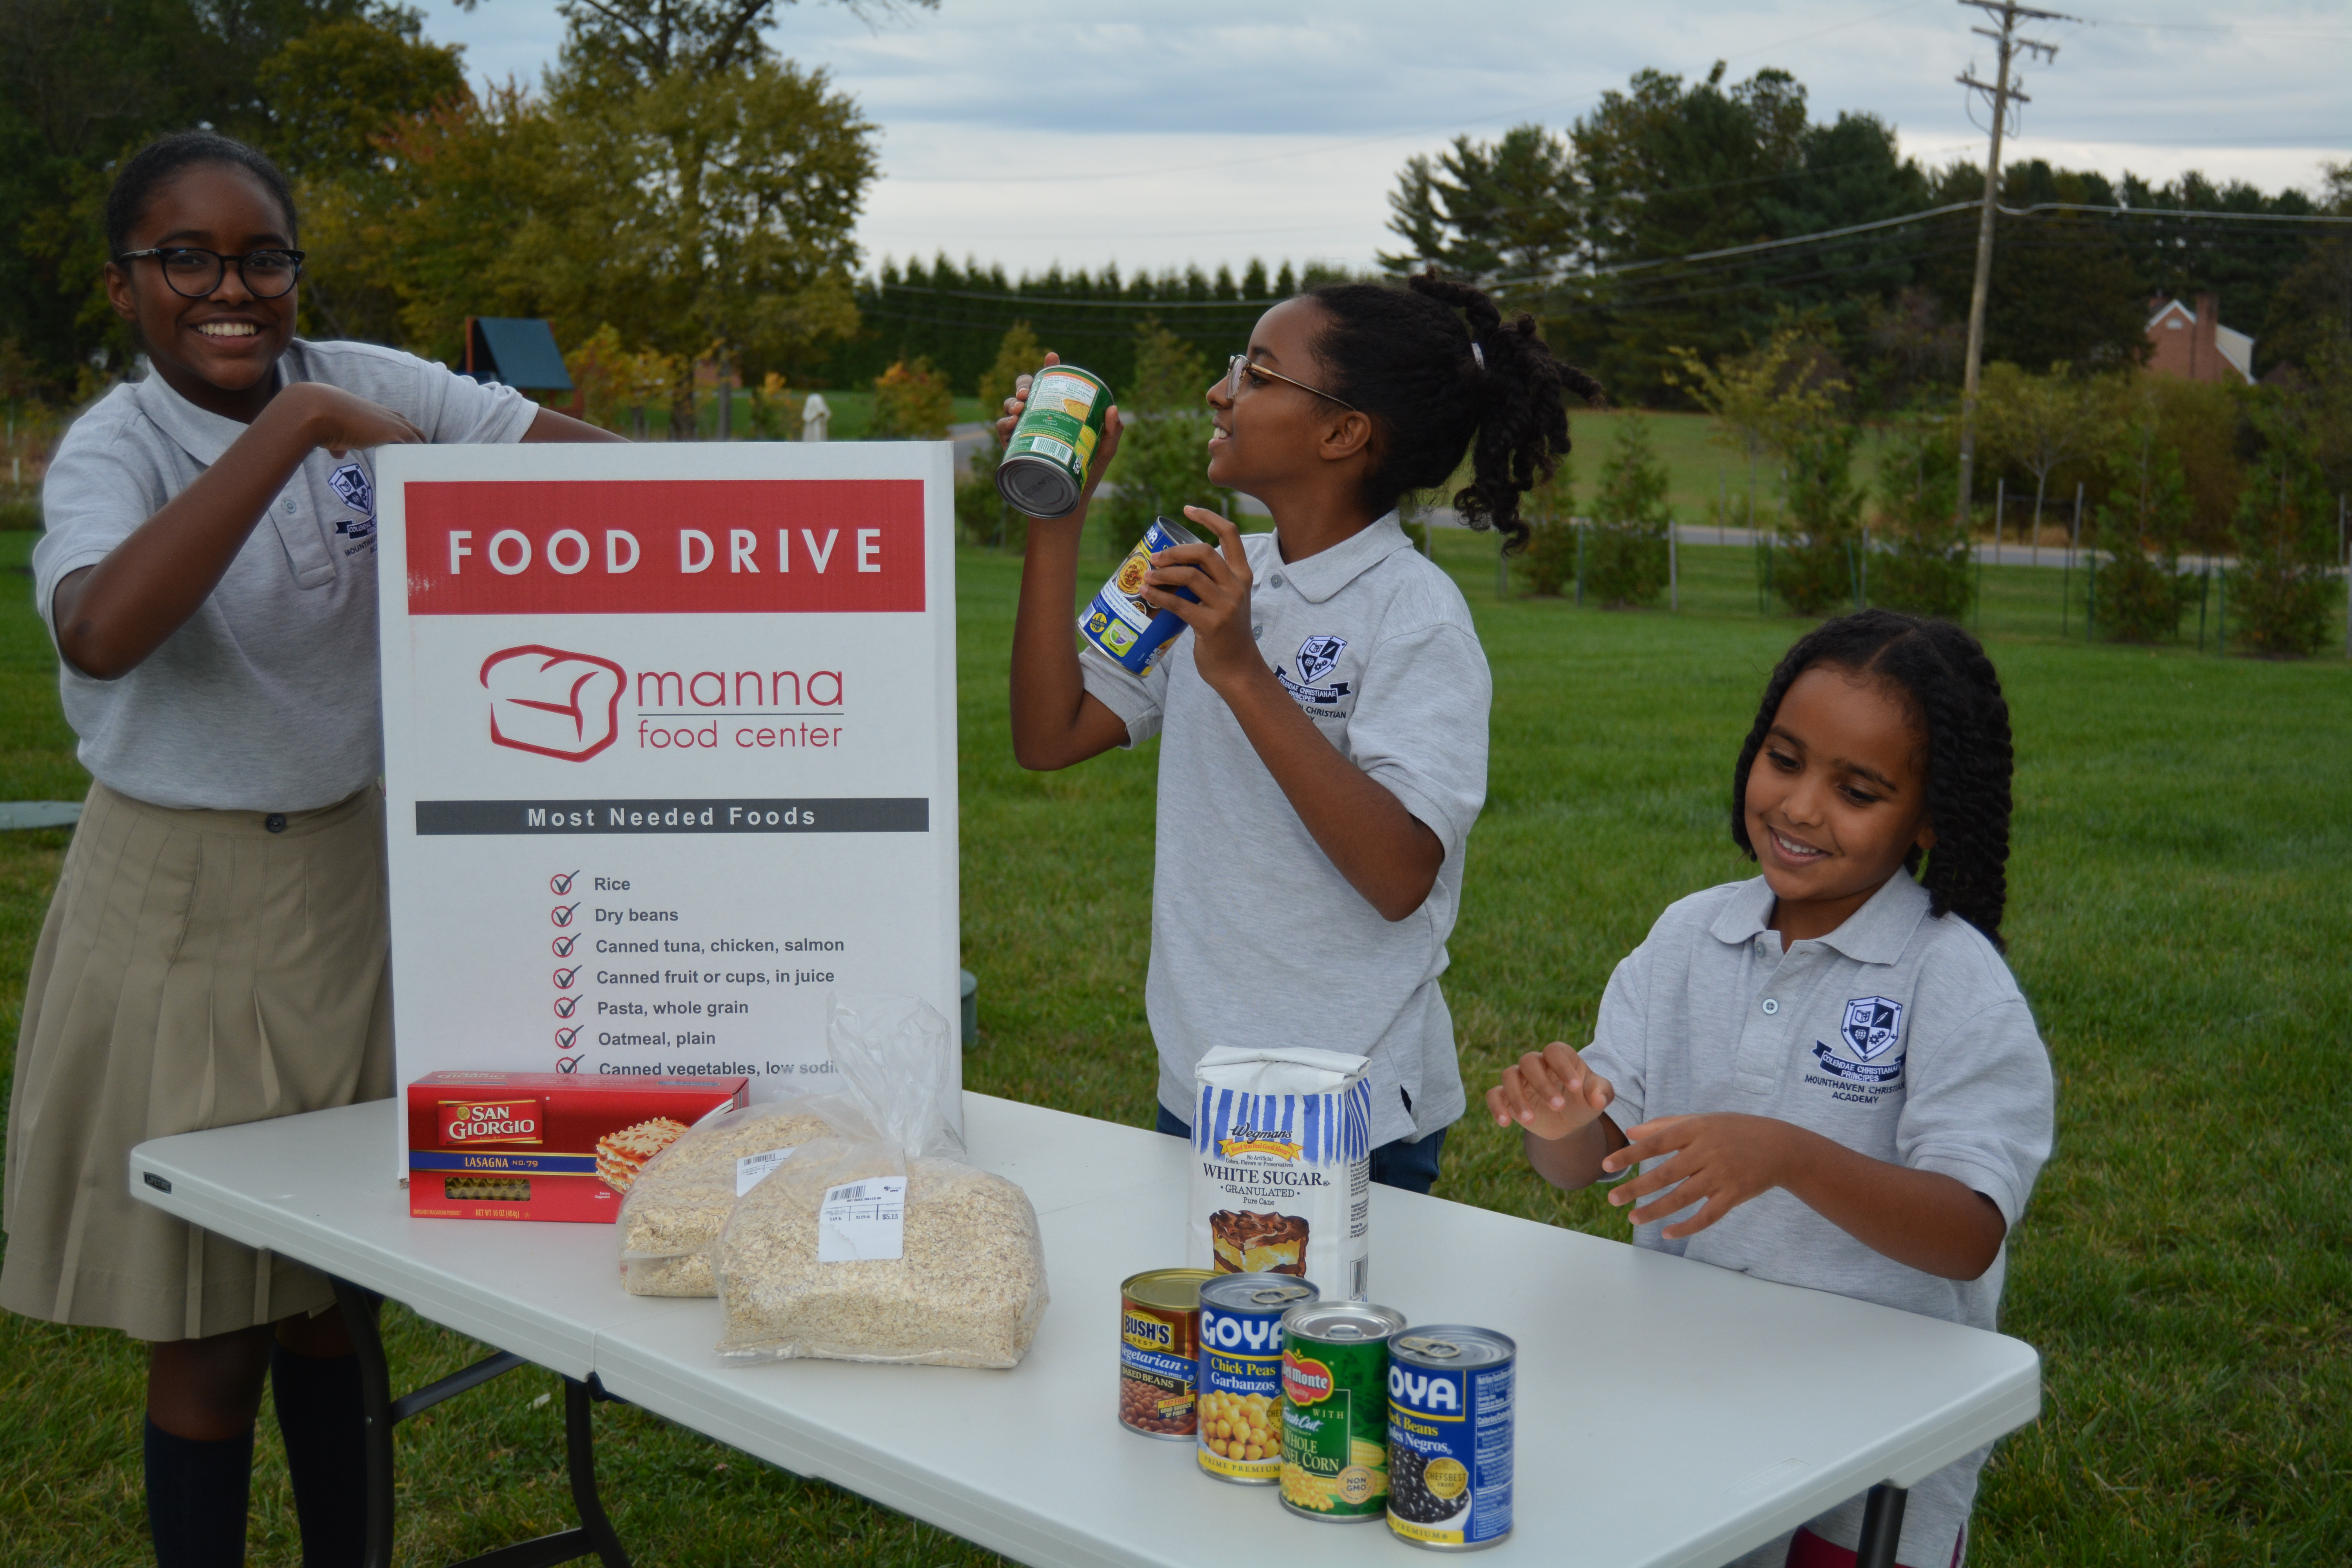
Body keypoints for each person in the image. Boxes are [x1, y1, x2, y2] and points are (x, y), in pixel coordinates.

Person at [0, 129, 621, 1568]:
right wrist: (295, 430)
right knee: (213, 1330)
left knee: (336, 1299)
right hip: (185, 903)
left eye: (262, 257)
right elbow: (100, 628)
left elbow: (586, 469)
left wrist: (804, 509)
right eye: (187, 260)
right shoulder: (122, 446)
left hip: (353, 882)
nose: (233, 288)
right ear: (123, 284)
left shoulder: (369, 379)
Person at [1004, 272, 1600, 1192]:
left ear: (1342, 431)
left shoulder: (1414, 616)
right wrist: (1059, 505)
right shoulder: (1210, 572)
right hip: (1201, 1083)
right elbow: (1050, 734)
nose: (1222, 389)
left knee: (1321, 1342)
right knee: (1212, 1334)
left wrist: (1242, 669)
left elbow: (1402, 874)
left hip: (1346, 1106)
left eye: (1258, 372)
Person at [1487, 609, 2056, 1568]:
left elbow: (1967, 1233)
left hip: (1877, 1439)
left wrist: (1787, 1155)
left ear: (1929, 815)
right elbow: (1590, 1163)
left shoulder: (1949, 978)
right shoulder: (1687, 938)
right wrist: (1565, 1120)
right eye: (1785, 759)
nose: (1799, 806)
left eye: (1858, 788)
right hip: (1685, 1397)